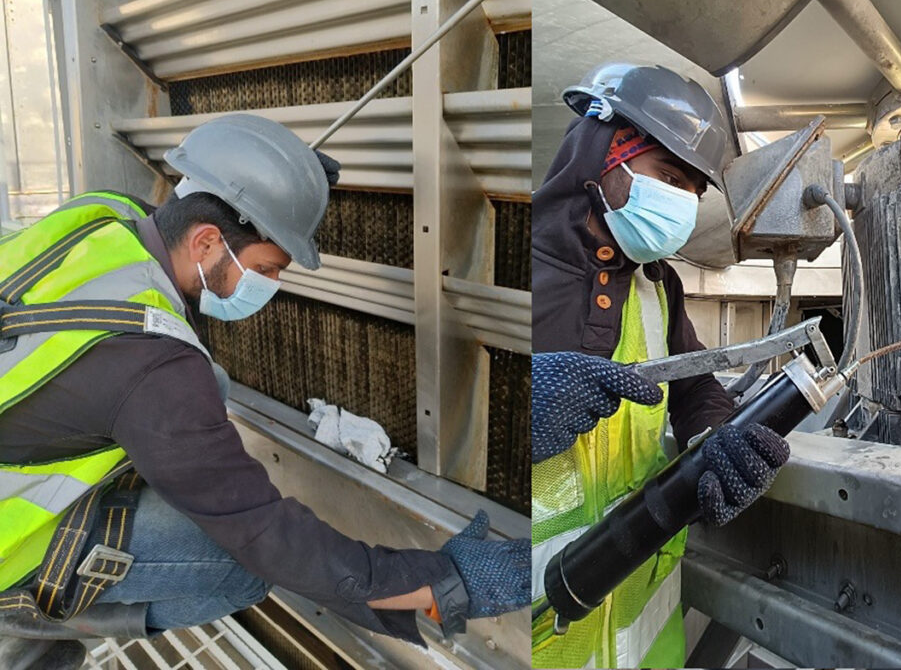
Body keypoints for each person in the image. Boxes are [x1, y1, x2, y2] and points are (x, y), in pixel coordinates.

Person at [0, 114, 529, 670]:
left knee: (212, 386)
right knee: (241, 567)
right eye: (268, 268)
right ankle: (26, 614)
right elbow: (263, 533)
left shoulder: (108, 218)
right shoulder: (154, 366)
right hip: (11, 529)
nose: (271, 287)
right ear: (206, 240)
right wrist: (439, 583)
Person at [531, 64, 790, 668]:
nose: (680, 205)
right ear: (604, 152)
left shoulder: (658, 284)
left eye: (692, 192)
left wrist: (714, 439)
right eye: (667, 177)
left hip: (644, 623)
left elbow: (696, 384)